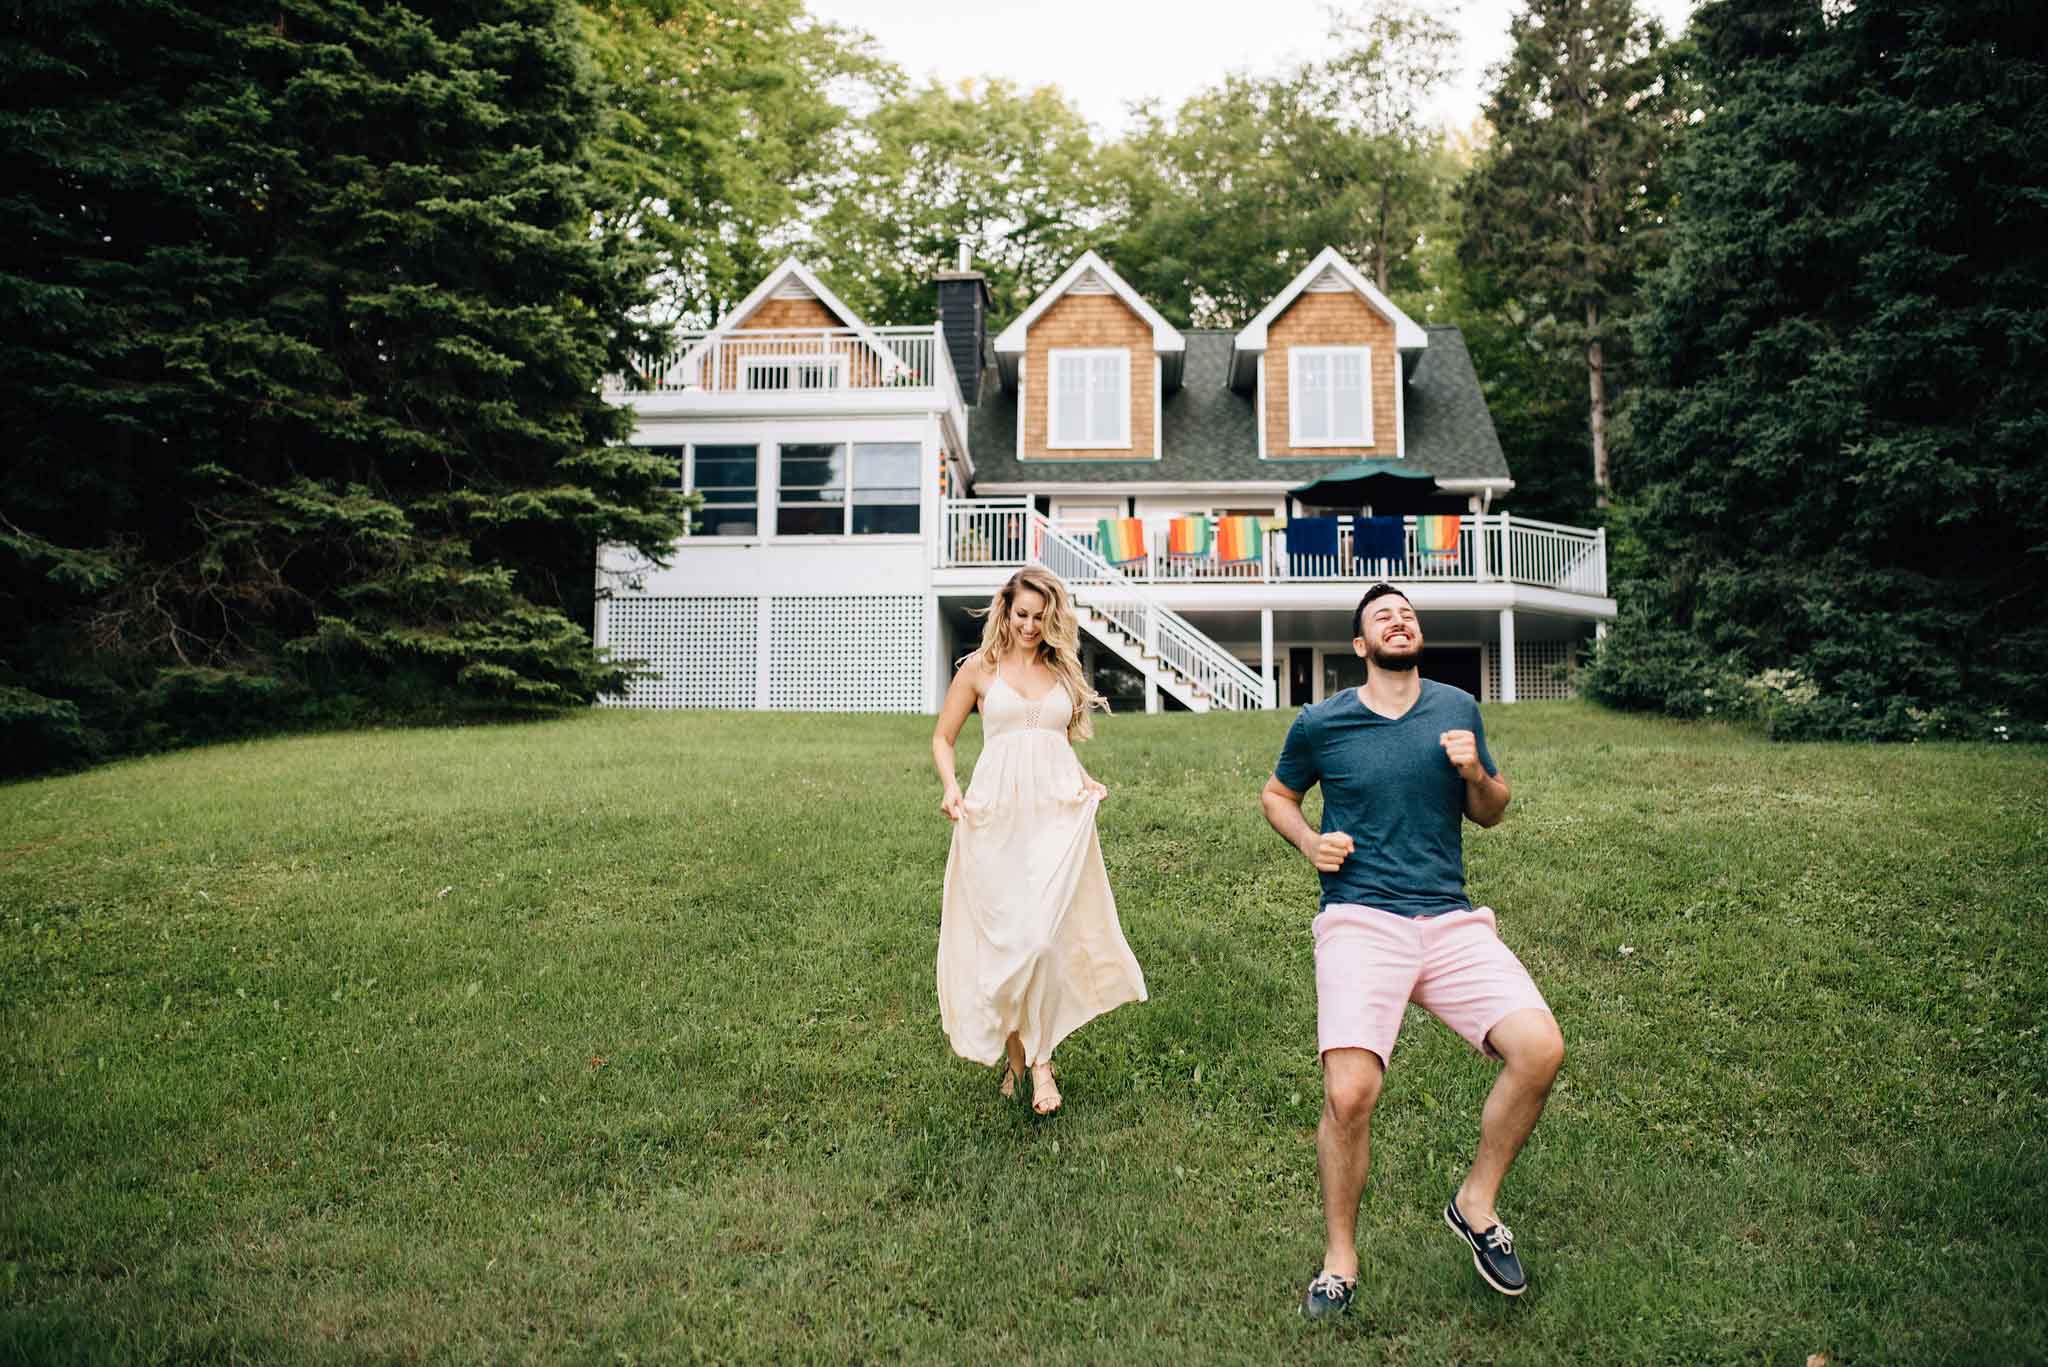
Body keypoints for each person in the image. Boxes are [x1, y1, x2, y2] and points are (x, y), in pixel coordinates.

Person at [1261, 584, 1565, 1318]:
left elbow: (1491, 811)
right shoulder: (1322, 722)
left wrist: (1475, 773)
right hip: (1361, 918)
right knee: (1349, 1093)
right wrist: (1309, 842)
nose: (1399, 620)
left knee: (1540, 1047)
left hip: (1449, 919)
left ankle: (1477, 1202)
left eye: (1406, 612)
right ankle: (1340, 1258)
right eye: (1381, 617)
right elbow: (1276, 794)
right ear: (1361, 646)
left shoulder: (1457, 708)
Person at [932, 567, 1148, 1115]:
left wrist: (1083, 779)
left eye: (1038, 616)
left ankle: (1043, 1062)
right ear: (1005, 611)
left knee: (1043, 940)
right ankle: (1015, 1059)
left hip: (1053, 818)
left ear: (1052, 618)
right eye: (1020, 614)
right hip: (994, 818)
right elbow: (943, 737)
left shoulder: (1062, 672)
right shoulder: (979, 671)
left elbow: (1050, 745)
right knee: (1006, 942)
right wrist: (951, 786)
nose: (1029, 625)